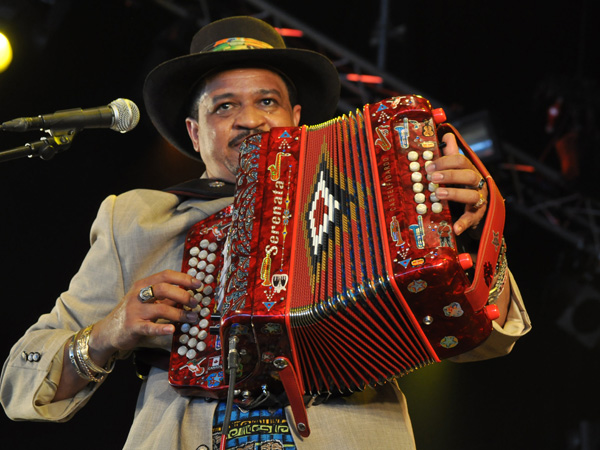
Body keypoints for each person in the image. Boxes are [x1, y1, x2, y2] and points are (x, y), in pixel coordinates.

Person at [0, 16, 530, 450]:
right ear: (195, 131)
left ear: (297, 119)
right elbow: (20, 382)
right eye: (224, 106)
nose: (248, 120)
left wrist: (480, 231)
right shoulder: (135, 220)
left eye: (267, 102)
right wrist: (109, 332)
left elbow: (482, 343)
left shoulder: (378, 197)